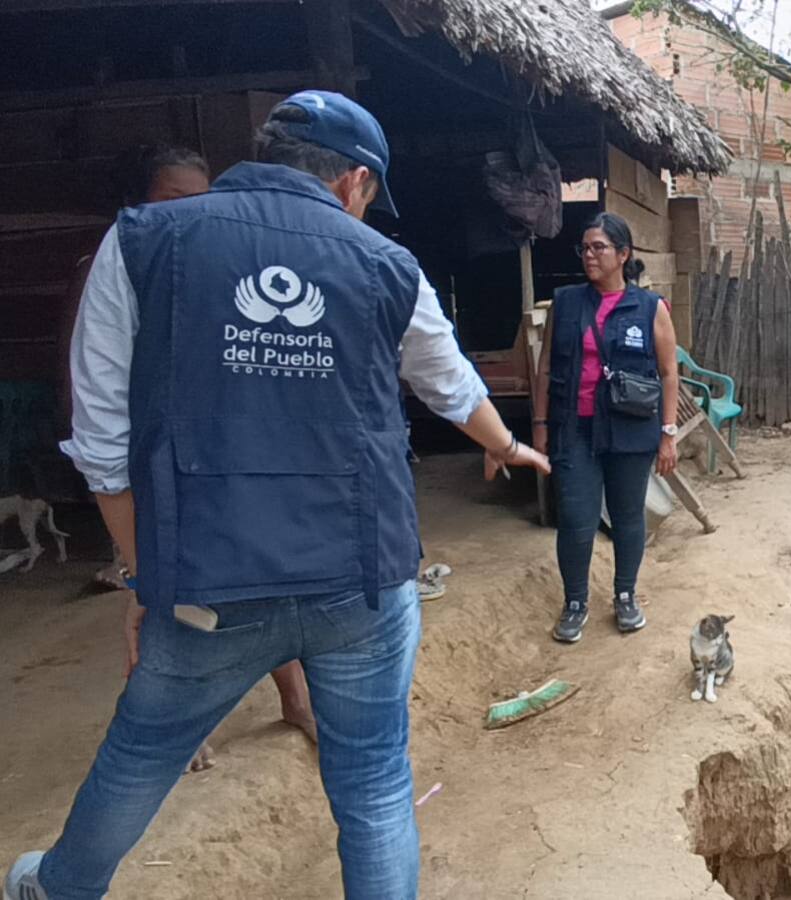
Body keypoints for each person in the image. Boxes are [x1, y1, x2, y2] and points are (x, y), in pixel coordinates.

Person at [4, 90, 549, 900]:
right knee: (373, 784)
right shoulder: (387, 265)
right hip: (362, 580)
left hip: (206, 582)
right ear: (353, 182)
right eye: (369, 197)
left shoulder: (144, 241)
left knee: (141, 751)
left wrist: (140, 569)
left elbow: (103, 437)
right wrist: (505, 445)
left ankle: (59, 887)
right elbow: (447, 381)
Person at [57, 145, 317, 772]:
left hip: (214, 447)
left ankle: (294, 696)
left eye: (203, 198)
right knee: (164, 595)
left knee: (255, 578)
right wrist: (112, 477)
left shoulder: (214, 260)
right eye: (176, 199)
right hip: (146, 456)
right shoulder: (116, 260)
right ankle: (181, 723)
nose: (193, 211)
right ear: (143, 202)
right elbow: (88, 380)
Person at [532, 212, 679, 644]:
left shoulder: (650, 308)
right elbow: (545, 368)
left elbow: (670, 373)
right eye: (586, 248)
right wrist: (540, 424)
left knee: (628, 516)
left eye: (600, 248)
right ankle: (575, 602)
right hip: (573, 429)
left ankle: (625, 594)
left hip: (631, 430)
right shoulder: (567, 302)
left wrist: (667, 433)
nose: (590, 256)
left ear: (623, 254)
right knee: (576, 519)